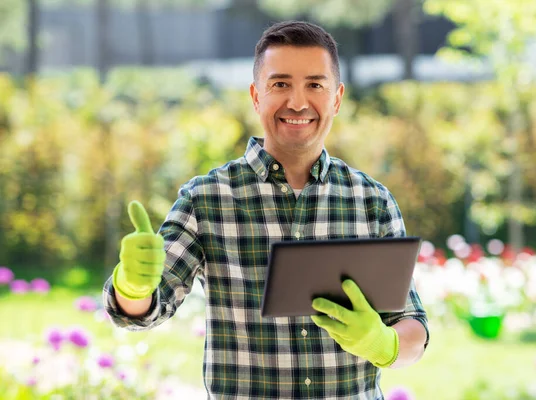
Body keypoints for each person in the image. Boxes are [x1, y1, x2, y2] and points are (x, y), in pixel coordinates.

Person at [103, 20, 429, 399]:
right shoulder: (206, 199)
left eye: (315, 85)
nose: (297, 102)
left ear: (337, 98)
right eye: (280, 84)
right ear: (256, 96)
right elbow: (140, 310)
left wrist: (382, 344)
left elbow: (414, 330)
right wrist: (133, 284)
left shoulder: (371, 200)